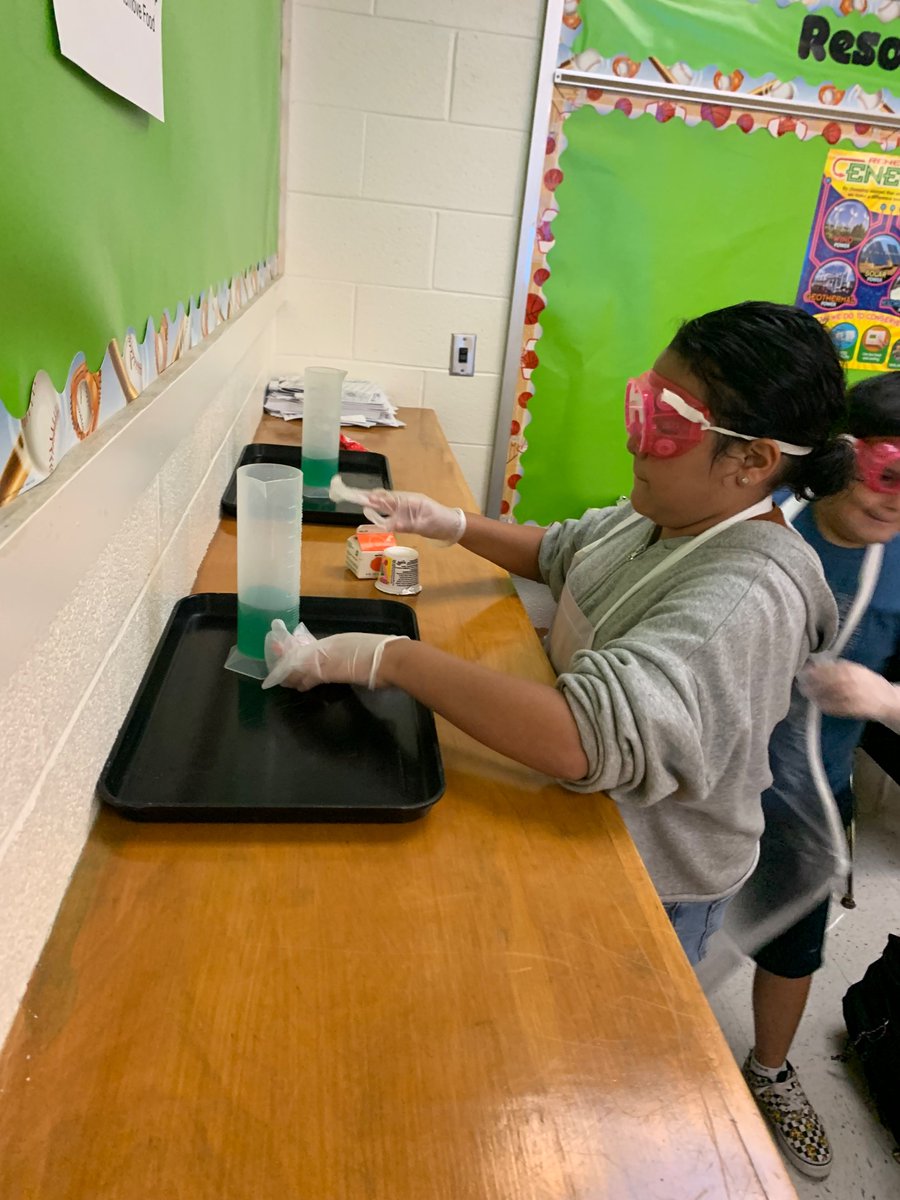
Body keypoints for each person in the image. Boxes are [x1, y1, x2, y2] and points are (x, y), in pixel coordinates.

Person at [266, 301, 852, 965]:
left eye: (664, 424)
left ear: (752, 460)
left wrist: (391, 658)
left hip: (649, 880)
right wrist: (450, 524)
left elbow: (585, 737)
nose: (635, 437)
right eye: (642, 404)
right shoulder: (668, 511)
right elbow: (564, 552)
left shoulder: (744, 597)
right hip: (578, 820)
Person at [740, 373, 900, 1181]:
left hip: (813, 794)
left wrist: (888, 700)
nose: (898, 503)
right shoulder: (760, 520)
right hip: (707, 783)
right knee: (667, 930)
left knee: (792, 947)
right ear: (842, 451)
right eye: (890, 473)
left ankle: (770, 1068)